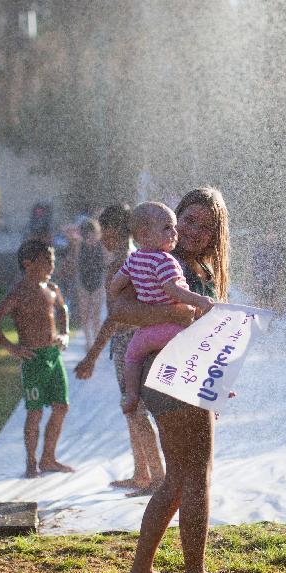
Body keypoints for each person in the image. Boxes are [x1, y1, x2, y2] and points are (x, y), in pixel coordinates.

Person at [118, 188, 229, 573]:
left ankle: (141, 571)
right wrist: (178, 311)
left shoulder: (199, 268)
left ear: (217, 232)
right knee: (197, 475)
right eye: (189, 220)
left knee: (179, 479)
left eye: (206, 225)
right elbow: (119, 310)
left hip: (188, 375)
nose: (194, 231)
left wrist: (219, 379)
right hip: (171, 375)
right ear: (174, 219)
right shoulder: (162, 259)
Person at [74, 204, 166, 492]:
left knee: (136, 411)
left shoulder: (120, 266)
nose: (100, 239)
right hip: (136, 341)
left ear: (112, 232)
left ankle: (159, 477)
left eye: (103, 232)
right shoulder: (137, 259)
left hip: (129, 345)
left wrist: (91, 355)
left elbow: (116, 317)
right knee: (133, 410)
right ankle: (142, 473)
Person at [109, 202, 215, 420]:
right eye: (168, 227)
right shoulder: (165, 260)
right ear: (145, 233)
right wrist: (200, 301)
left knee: (132, 357)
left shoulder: (133, 259)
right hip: (172, 330)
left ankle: (130, 396)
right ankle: (213, 388)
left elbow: (115, 285)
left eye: (174, 227)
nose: (175, 233)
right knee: (200, 351)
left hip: (147, 333)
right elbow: (173, 290)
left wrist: (120, 291)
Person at [0, 239, 74, 478]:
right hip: (33, 358)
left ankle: (48, 457)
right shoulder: (18, 293)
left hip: (53, 356)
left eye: (53, 261)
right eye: (47, 261)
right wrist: (11, 348)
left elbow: (63, 310)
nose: (52, 266)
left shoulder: (52, 289)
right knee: (35, 412)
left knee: (61, 406)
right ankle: (31, 461)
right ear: (28, 264)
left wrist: (64, 334)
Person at [76, 218, 105, 349]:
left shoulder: (102, 245)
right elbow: (76, 263)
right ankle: (88, 341)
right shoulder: (79, 245)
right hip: (83, 282)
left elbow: (108, 261)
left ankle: (95, 343)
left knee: (96, 316)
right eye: (88, 234)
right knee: (85, 315)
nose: (90, 236)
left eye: (93, 233)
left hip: (98, 282)